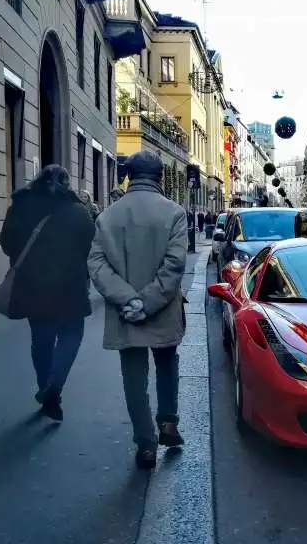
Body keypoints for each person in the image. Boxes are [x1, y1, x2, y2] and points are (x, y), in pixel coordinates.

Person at [88, 151, 188, 470]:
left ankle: (145, 443)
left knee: (133, 376)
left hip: (124, 312)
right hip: (163, 308)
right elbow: (174, 265)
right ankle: (168, 423)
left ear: (129, 175)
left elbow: (96, 263)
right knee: (167, 362)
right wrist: (148, 302)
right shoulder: (174, 213)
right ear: (159, 176)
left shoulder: (108, 215)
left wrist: (128, 300)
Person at [0, 165, 95, 421]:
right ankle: (54, 386)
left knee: (41, 341)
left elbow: (7, 244)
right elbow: (89, 246)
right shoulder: (77, 212)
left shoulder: (19, 206)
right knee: (71, 335)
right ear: (66, 184)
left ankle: (46, 390)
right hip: (69, 287)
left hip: (32, 286)